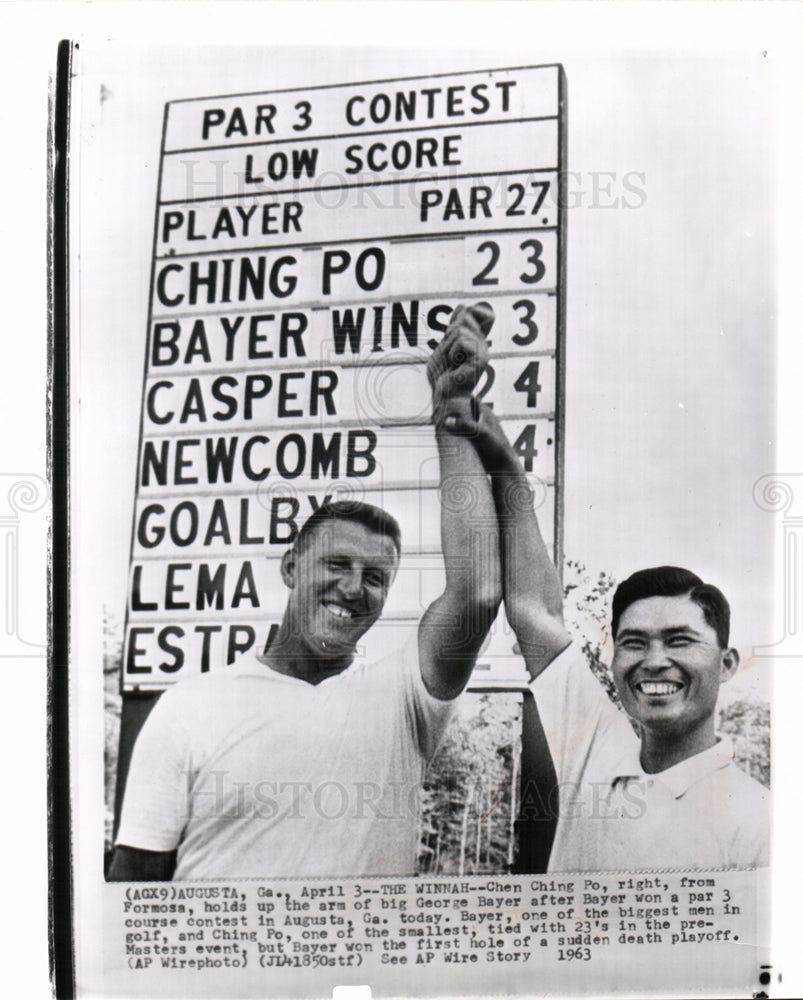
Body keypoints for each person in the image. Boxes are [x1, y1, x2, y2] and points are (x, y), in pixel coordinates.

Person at [109, 304, 502, 880]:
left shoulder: (402, 700)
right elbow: (132, 894)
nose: (352, 587)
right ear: (291, 566)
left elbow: (478, 593)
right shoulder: (189, 707)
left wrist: (451, 410)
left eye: (375, 578)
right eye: (336, 563)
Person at [442, 383, 769, 872]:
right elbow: (535, 612)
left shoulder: (761, 823)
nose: (654, 660)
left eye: (679, 640)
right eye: (633, 643)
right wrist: (504, 462)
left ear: (726, 664)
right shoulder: (597, 746)